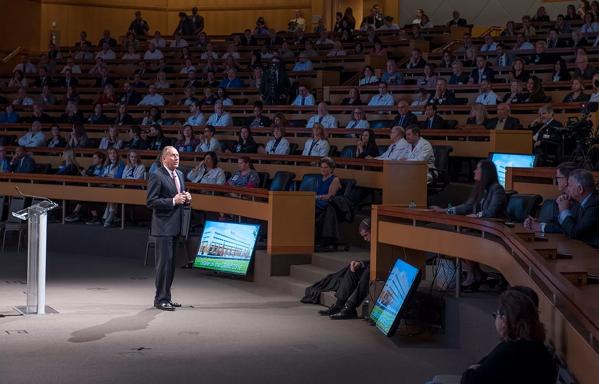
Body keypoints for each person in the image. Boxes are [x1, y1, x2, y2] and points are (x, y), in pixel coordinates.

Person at [431, 160, 507, 288]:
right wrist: (444, 210)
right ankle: (475, 273)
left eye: (478, 169)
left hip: (495, 232)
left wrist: (476, 215)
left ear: (486, 173)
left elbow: (491, 212)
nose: (474, 171)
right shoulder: (481, 189)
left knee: (464, 238)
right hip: (482, 229)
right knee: (462, 236)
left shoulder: (497, 189)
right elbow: (467, 206)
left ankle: (474, 274)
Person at [457, 290, 557, 383]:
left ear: (504, 320)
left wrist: (470, 370)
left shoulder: (508, 352)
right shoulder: (542, 351)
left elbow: (470, 380)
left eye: (495, 315)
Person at [147, 146, 191, 311]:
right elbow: (151, 202)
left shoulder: (179, 174)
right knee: (163, 265)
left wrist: (186, 198)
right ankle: (160, 299)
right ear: (164, 158)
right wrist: (172, 201)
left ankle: (167, 297)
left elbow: (180, 196)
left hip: (176, 226)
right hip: (163, 227)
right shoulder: (156, 175)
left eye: (178, 155)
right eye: (173, 155)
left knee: (171, 265)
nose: (176, 158)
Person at [524, 162, 578, 234]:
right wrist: (538, 223)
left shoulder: (578, 200)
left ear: (566, 180)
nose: (556, 181)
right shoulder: (563, 199)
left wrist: (540, 226)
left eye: (558, 177)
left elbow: (570, 228)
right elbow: (560, 224)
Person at [557, 169, 599, 248]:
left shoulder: (595, 204)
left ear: (580, 189)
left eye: (569, 185)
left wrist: (564, 210)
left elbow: (574, 232)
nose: (567, 188)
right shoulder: (580, 201)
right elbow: (567, 228)